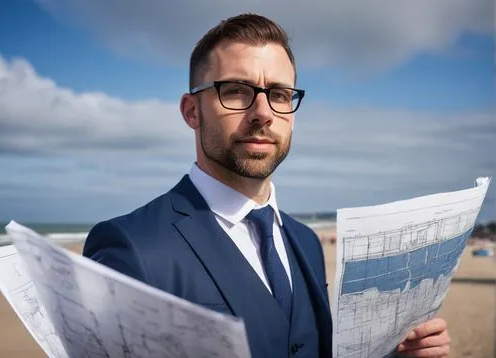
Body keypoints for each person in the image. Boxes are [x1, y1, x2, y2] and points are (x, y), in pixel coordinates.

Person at [83, 13, 451, 358]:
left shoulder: (305, 241)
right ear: (191, 111)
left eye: (278, 94)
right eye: (236, 90)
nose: (263, 113)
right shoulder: (131, 246)